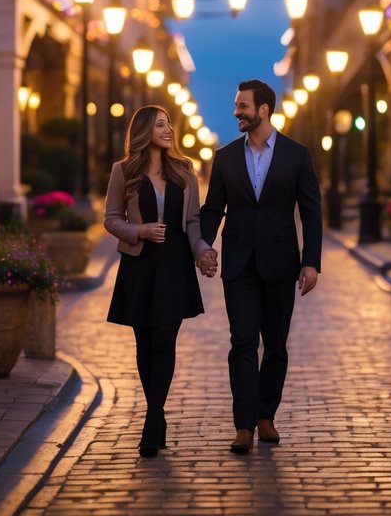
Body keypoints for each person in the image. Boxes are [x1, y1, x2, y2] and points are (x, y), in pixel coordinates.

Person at [200, 79, 322, 454]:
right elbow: (212, 209)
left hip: (281, 263)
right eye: (237, 106)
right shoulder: (225, 157)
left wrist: (311, 262)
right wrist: (204, 246)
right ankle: (244, 426)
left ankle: (266, 415)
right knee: (242, 342)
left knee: (276, 346)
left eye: (243, 106)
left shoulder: (296, 155)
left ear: (263, 109)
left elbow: (312, 212)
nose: (237, 112)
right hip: (239, 264)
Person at [104, 105, 218, 457]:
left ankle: (152, 420)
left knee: (165, 342)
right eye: (160, 125)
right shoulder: (123, 171)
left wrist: (202, 251)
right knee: (144, 345)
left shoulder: (184, 171)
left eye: (169, 124)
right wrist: (138, 230)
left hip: (173, 267)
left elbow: (194, 222)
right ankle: (158, 416)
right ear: (143, 131)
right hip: (140, 266)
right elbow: (111, 218)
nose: (168, 130)